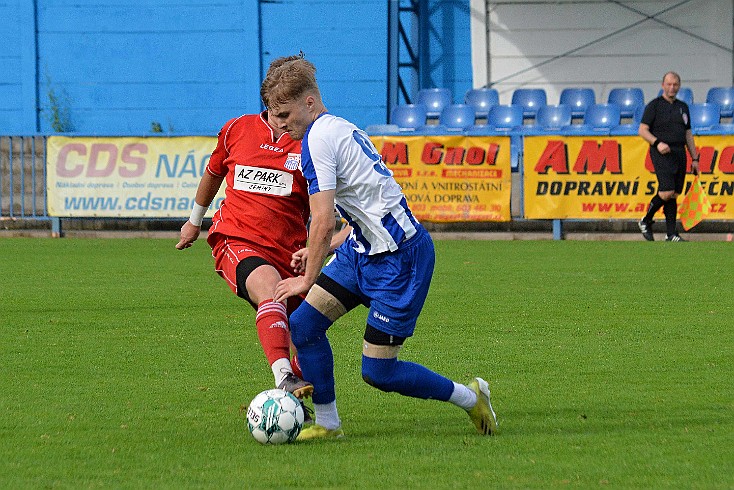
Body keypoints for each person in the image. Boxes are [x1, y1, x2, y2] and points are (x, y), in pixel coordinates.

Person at [266, 54, 498, 440]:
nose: (279, 124)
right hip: (362, 251)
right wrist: (324, 250)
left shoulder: (317, 142)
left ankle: (469, 397)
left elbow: (321, 220)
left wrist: (306, 278)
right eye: (274, 115)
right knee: (304, 326)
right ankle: (327, 424)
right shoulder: (336, 128)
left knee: (378, 372)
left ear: (309, 102)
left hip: (400, 261)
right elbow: (365, 208)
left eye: (285, 114)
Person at [175, 55, 314, 401]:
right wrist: (194, 222)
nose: (282, 118)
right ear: (267, 100)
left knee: (306, 336)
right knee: (269, 289)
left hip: (289, 252)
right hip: (236, 240)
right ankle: (283, 377)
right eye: (275, 107)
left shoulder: (310, 141)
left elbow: (321, 205)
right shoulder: (238, 129)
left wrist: (316, 246)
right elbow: (213, 173)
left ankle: (307, 407)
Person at [638, 71, 700, 242]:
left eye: (675, 84)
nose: (672, 87)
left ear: (679, 86)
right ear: (662, 85)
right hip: (661, 153)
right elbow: (642, 130)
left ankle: (671, 234)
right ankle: (646, 220)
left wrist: (695, 159)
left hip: (679, 153)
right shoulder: (654, 106)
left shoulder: (683, 107)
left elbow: (688, 133)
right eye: (669, 84)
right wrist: (657, 143)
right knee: (666, 191)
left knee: (674, 194)